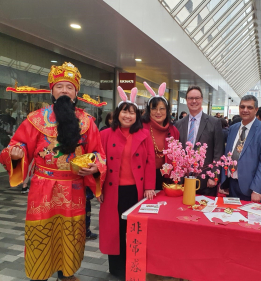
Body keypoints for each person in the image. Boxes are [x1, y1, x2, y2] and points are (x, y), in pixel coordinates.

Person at [0, 62, 107, 281]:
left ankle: (66, 275)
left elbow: (99, 153)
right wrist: (16, 154)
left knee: (71, 235)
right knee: (41, 234)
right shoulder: (35, 120)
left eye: (69, 87)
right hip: (43, 189)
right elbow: (18, 145)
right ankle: (39, 275)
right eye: (60, 87)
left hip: (74, 189)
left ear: (76, 93)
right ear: (52, 91)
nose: (65, 91)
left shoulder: (87, 122)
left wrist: (96, 166)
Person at [99, 86, 156, 279]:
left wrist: (149, 187)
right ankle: (116, 268)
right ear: (117, 114)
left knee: (133, 229)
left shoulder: (144, 135)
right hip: (112, 190)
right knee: (114, 230)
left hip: (135, 191)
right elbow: (98, 162)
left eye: (132, 112)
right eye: (124, 111)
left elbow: (150, 162)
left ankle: (133, 265)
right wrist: (98, 188)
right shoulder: (105, 134)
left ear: (137, 117)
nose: (128, 116)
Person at [221, 95, 261, 201]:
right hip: (230, 184)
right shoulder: (233, 128)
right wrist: (223, 181)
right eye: (242, 107)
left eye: (249, 107)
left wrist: (257, 189)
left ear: (256, 110)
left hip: (251, 188)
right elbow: (227, 155)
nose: (245, 110)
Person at [175, 86, 224, 196]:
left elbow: (218, 152)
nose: (194, 101)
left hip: (206, 181)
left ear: (202, 100)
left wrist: (214, 176)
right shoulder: (179, 124)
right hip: (183, 180)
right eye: (190, 98)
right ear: (186, 100)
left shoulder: (214, 122)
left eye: (197, 98)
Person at [141, 81, 180, 190]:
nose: (158, 112)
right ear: (149, 111)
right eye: (154, 108)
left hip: (167, 176)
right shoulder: (141, 128)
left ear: (167, 111)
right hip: (144, 175)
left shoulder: (173, 130)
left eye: (162, 108)